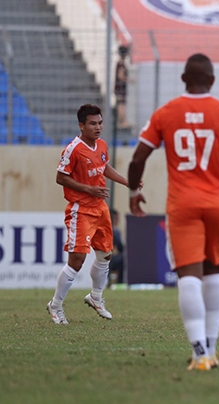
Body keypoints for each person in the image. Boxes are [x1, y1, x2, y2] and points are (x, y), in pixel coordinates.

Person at [128, 53, 219, 371]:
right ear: (212, 81)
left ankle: (199, 355)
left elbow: (138, 157)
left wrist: (134, 190)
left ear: (183, 80)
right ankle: (211, 348)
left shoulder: (165, 113)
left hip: (183, 205)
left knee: (188, 276)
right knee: (213, 272)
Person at [47, 104, 131, 324]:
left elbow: (104, 167)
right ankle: (55, 306)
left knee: (105, 254)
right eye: (93, 123)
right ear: (81, 125)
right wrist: (88, 189)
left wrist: (126, 182)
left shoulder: (101, 145)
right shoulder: (73, 149)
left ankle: (96, 297)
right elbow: (60, 177)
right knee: (77, 260)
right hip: (81, 209)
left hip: (100, 207)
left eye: (100, 123)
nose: (98, 127)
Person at [115, 45, 131, 129]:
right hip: (121, 87)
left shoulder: (120, 63)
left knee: (120, 104)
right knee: (122, 105)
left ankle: (120, 122)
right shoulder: (121, 64)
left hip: (119, 87)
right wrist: (129, 80)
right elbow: (120, 76)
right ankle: (122, 122)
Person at [109, 209, 125, 285]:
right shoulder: (112, 230)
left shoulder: (117, 231)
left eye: (117, 218)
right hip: (107, 256)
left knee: (122, 258)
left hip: (112, 256)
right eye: (114, 218)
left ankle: (120, 281)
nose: (116, 220)